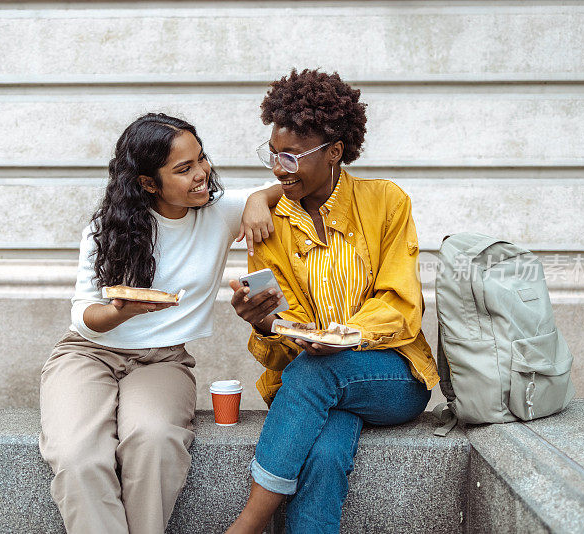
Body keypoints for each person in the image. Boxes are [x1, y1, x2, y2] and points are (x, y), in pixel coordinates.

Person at [39, 113, 282, 534]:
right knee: (79, 455)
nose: (202, 174)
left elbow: (288, 186)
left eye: (201, 159)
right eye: (183, 169)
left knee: (153, 442)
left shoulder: (218, 213)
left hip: (163, 361)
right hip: (88, 352)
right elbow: (84, 316)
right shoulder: (106, 230)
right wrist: (122, 311)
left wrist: (258, 200)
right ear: (148, 183)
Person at [225, 69, 440, 533]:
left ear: (335, 152)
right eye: (272, 155)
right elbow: (288, 330)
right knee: (322, 454)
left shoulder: (386, 202)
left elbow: (401, 306)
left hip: (394, 376)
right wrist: (267, 325)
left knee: (317, 371)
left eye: (290, 156)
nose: (278, 168)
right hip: (317, 380)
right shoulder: (270, 222)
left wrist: (343, 336)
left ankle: (247, 524)